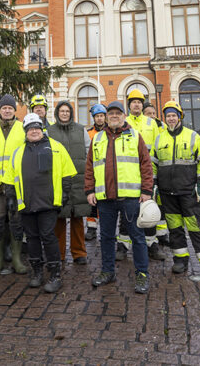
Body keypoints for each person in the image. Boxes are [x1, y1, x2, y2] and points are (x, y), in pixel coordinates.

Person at [85, 100, 154, 294]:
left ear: (123, 116)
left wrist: (147, 191)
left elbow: (146, 165)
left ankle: (142, 274)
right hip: (105, 198)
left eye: (117, 113)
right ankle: (108, 271)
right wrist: (89, 190)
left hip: (131, 198)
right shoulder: (98, 138)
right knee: (106, 237)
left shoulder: (134, 136)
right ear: (106, 117)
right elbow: (89, 167)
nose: (114, 116)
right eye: (111, 113)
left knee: (137, 237)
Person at [6, 113, 77, 292]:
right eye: (30, 128)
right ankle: (37, 272)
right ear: (25, 131)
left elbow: (67, 174)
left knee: (48, 236)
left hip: (48, 203)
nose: (34, 131)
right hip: (27, 204)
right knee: (32, 238)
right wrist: (11, 199)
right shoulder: (18, 152)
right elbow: (9, 179)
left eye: (37, 127)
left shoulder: (56, 147)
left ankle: (55, 274)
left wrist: (65, 196)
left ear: (42, 129)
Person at [153, 101, 200, 281]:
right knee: (175, 229)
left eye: (174, 115)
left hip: (188, 192)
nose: (171, 119)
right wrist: (154, 184)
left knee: (196, 228)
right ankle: (180, 260)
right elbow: (154, 164)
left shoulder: (193, 136)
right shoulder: (159, 138)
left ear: (179, 117)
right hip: (167, 193)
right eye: (168, 116)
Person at [0, 94, 28, 275]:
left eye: (10, 108)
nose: (7, 110)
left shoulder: (22, 128)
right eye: (4, 108)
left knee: (17, 222)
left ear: (14, 110)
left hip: (16, 186)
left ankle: (16, 260)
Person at [124, 89, 166, 261]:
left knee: (149, 209)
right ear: (129, 105)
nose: (137, 104)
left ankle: (151, 244)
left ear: (143, 105)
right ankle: (123, 245)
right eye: (133, 102)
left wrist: (157, 173)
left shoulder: (152, 123)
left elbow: (158, 147)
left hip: (147, 172)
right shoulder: (124, 122)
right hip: (128, 173)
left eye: (139, 102)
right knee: (126, 210)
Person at [48, 100, 90, 265]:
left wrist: (87, 173)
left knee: (77, 217)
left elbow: (88, 151)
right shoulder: (50, 131)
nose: (64, 113)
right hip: (58, 179)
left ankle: (79, 253)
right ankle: (59, 253)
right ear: (57, 113)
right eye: (62, 111)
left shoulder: (81, 130)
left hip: (78, 178)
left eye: (67, 111)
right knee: (59, 218)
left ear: (71, 113)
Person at [84, 102, 107, 241]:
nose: (99, 119)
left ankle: (105, 228)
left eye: (101, 116)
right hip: (93, 172)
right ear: (94, 118)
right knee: (91, 203)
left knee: (105, 203)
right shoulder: (88, 133)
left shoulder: (110, 132)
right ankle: (91, 228)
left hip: (106, 172)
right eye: (97, 116)